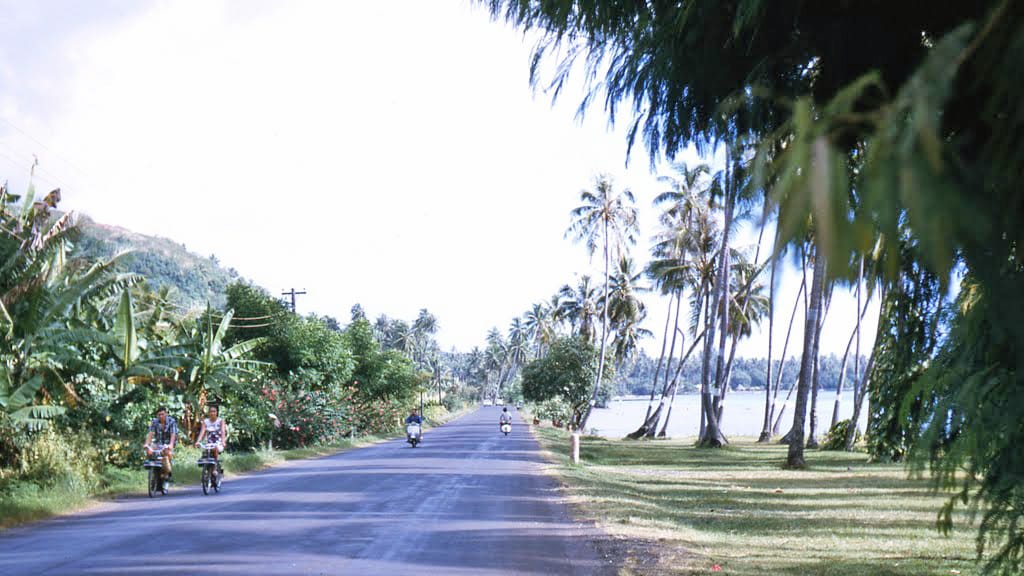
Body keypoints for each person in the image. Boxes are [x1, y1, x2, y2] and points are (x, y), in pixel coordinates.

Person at [144, 406, 177, 491]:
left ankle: (166, 475)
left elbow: (173, 434)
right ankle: (153, 471)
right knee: (149, 450)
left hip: (167, 443)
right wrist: (146, 444)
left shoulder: (171, 421)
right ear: (157, 415)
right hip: (158, 443)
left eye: (162, 414)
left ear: (166, 414)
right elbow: (150, 433)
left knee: (167, 454)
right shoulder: (154, 422)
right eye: (159, 415)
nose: (161, 416)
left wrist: (171, 444)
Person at [195, 405, 227, 478]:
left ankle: (215, 467)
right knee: (205, 453)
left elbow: (222, 432)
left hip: (218, 442)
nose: (212, 413)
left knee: (215, 449)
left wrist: (223, 441)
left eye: (214, 411)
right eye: (210, 411)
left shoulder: (220, 421)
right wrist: (198, 441)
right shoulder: (205, 422)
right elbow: (202, 432)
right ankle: (207, 469)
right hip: (209, 443)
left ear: (217, 412)